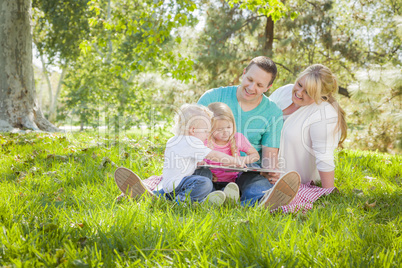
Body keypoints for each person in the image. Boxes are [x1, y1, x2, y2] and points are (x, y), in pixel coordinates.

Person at [198, 56, 300, 207]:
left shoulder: (273, 112)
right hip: (208, 165)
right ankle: (212, 196)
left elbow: (269, 153)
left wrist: (271, 171)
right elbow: (191, 137)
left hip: (244, 170)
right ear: (244, 73)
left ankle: (260, 199)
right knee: (200, 178)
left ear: (268, 87)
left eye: (259, 85)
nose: (252, 88)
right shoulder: (213, 97)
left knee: (257, 182)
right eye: (250, 79)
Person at [114, 104, 245, 205]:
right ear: (193, 130)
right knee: (204, 183)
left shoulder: (175, 140)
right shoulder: (192, 141)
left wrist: (198, 162)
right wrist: (235, 161)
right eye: (205, 130)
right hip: (177, 185)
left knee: (204, 173)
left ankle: (158, 196)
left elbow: (183, 160)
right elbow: (215, 155)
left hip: (169, 184)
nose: (207, 134)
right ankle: (180, 202)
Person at [269, 64, 347, 188]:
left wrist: (328, 191)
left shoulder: (324, 113)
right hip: (259, 167)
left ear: (321, 95)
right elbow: (261, 116)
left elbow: (324, 156)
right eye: (299, 85)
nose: (299, 93)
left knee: (256, 191)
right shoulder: (284, 92)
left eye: (308, 92)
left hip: (288, 179)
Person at [203, 102, 259, 198]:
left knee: (252, 169)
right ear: (210, 128)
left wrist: (241, 160)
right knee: (202, 175)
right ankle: (215, 196)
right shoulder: (206, 140)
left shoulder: (238, 138)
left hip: (233, 182)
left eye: (229, 127)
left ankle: (227, 195)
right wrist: (209, 174)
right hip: (212, 181)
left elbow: (255, 155)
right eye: (219, 129)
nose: (225, 132)